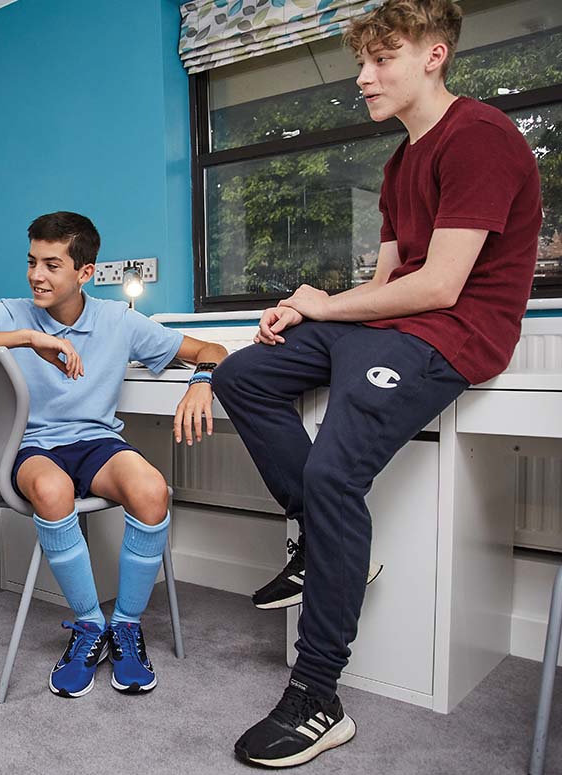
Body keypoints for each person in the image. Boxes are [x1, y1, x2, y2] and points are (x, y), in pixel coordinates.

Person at [214, 0, 543, 766]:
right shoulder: (400, 162)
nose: (364, 77)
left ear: (434, 55)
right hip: (397, 323)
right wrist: (309, 309)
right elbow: (388, 282)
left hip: (456, 332)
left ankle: (317, 696)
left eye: (382, 59)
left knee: (334, 471)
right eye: (362, 62)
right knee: (243, 373)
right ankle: (326, 539)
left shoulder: (481, 135)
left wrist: (325, 305)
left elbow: (441, 285)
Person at [0, 211, 227, 698]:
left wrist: (201, 382)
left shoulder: (118, 320)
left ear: (85, 272)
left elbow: (209, 348)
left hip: (97, 443)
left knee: (152, 489)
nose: (36, 275)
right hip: (33, 447)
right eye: (32, 262)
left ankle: (125, 627)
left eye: (52, 265)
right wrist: (27, 338)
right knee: (52, 489)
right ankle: (89, 625)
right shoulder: (14, 313)